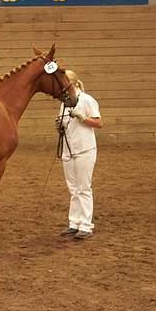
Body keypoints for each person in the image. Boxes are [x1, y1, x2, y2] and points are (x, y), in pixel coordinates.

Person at [55, 70, 103, 240]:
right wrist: (60, 126)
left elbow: (99, 122)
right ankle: (74, 223)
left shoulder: (87, 100)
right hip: (69, 149)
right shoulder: (64, 103)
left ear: (73, 83)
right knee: (73, 189)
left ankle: (86, 225)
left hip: (85, 149)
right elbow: (64, 123)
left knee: (83, 187)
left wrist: (82, 118)